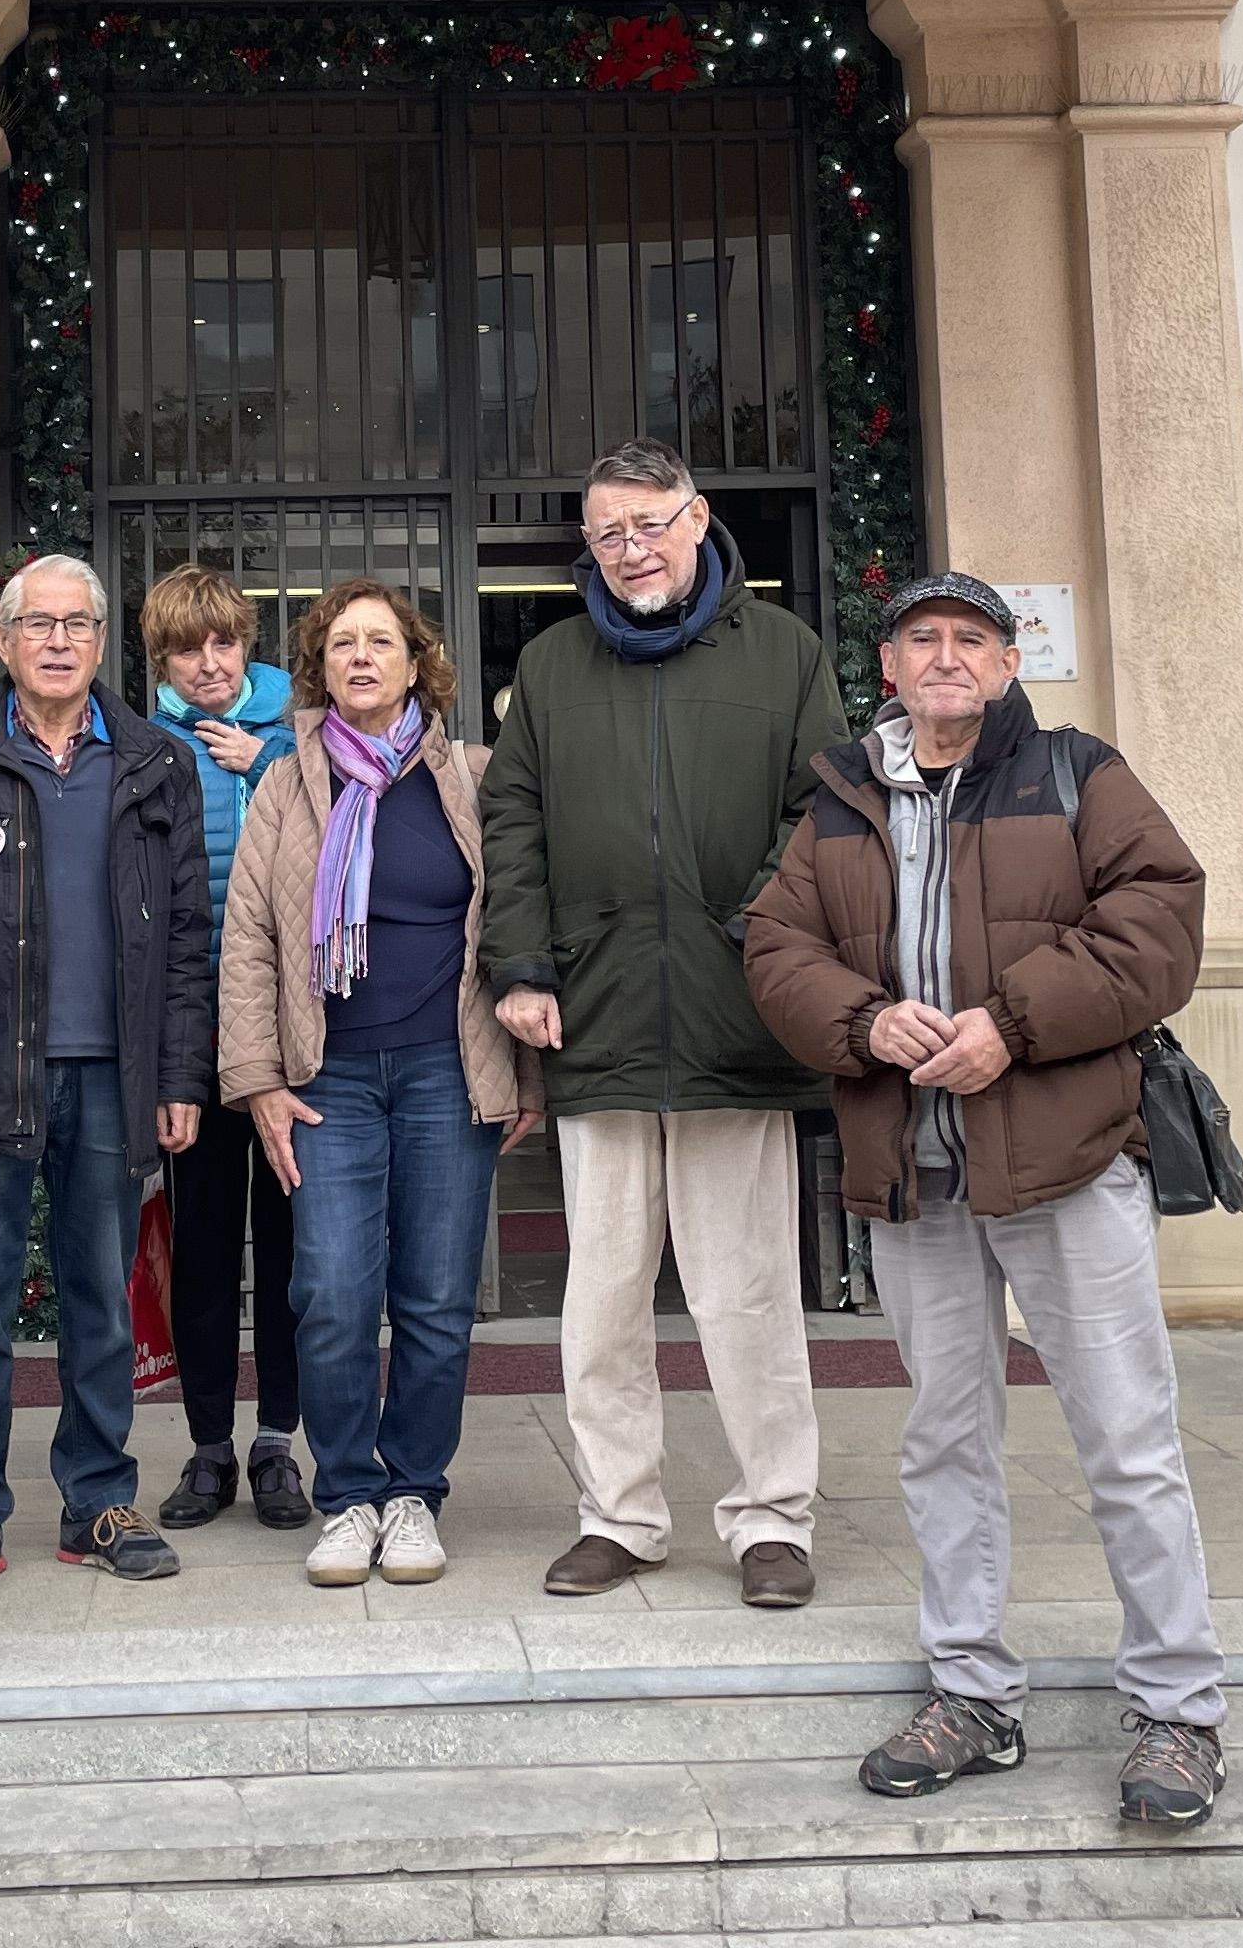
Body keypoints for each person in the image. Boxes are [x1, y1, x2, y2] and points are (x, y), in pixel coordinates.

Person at [740, 573, 1226, 1828]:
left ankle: (1178, 1712)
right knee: (945, 1441)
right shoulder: (842, 794)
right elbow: (775, 946)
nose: (946, 657)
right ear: (889, 668)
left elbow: (1160, 921)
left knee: (1126, 1441)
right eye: (922, 640)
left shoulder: (1077, 772)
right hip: (918, 1173)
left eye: (972, 639)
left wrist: (1010, 1025)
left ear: (1010, 665)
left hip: (1068, 1162)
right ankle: (972, 1690)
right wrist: (863, 1019)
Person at [479, 438, 845, 1609]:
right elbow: (514, 824)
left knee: (747, 1290)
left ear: (697, 520)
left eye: (650, 523)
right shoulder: (548, 665)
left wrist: (756, 935)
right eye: (607, 532)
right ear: (587, 548)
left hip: (741, 1013)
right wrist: (522, 969)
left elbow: (820, 813)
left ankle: (773, 1517)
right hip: (597, 1015)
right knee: (602, 1292)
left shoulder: (784, 652)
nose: (632, 548)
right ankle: (621, 1515)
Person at [0, 556, 214, 1601]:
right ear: (4, 638)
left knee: (100, 1300)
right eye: (37, 622)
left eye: (77, 622)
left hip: (114, 1079)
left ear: (103, 639)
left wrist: (181, 1074)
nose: (57, 640)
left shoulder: (156, 762)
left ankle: (99, 1499)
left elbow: (189, 936)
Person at [219, 578, 538, 1585]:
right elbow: (250, 942)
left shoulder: (474, 778)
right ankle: (347, 1495)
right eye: (342, 643)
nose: (361, 657)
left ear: (416, 663)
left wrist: (523, 1072)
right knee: (330, 1294)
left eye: (381, 642)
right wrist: (258, 1080)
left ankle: (413, 1495)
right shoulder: (287, 783)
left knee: (438, 1300)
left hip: (450, 1071)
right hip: (331, 1081)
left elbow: (519, 921)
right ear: (319, 666)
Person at [140, 564, 309, 1533]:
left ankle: (278, 1444)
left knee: (290, 1252)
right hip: (193, 1036)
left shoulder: (302, 732)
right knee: (203, 1249)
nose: (210, 664)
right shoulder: (140, 747)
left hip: (292, 1034)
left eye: (225, 643)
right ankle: (209, 1450)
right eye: (188, 649)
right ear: (162, 659)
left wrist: (264, 764)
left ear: (248, 645)